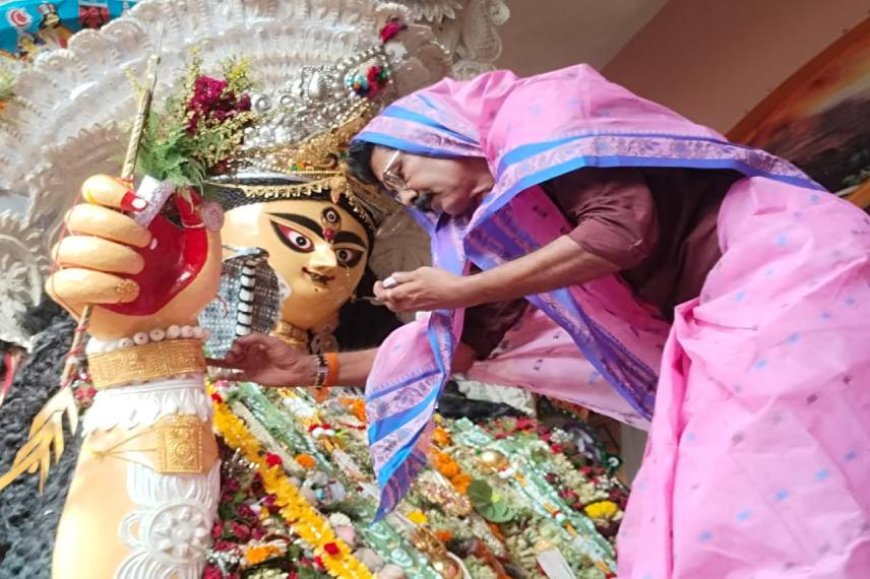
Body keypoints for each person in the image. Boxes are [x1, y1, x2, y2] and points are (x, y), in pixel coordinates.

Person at [214, 64, 870, 577]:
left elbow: (619, 231)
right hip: (723, 310)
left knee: (764, 462)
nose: (410, 196)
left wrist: (462, 284)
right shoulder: (497, 229)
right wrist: (311, 368)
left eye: (402, 172)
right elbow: (465, 345)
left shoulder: (544, 108)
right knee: (689, 512)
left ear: (436, 131)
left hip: (783, 261)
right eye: (398, 196)